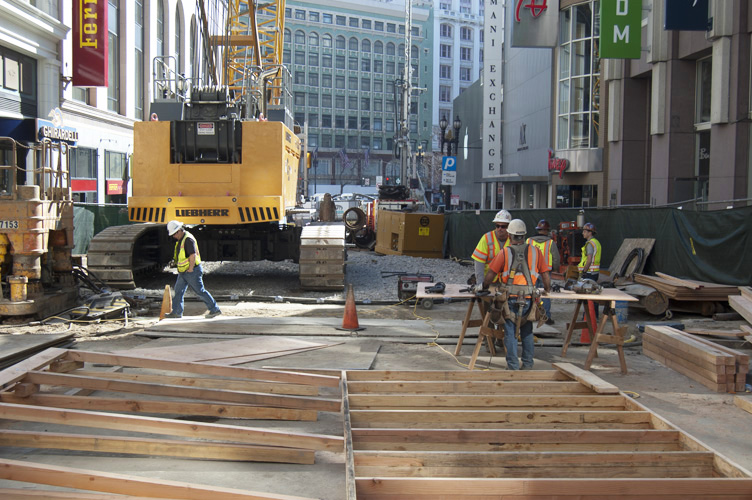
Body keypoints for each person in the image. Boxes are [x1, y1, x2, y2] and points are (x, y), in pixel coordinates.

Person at [480, 219, 551, 370]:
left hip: (509, 299)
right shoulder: (536, 252)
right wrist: (547, 290)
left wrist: (483, 286)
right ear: (524, 235)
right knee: (527, 332)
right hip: (529, 299)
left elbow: (490, 275)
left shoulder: (505, 252)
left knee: (510, 333)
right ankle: (528, 364)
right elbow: (545, 276)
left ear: (509, 236)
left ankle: (513, 367)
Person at [164, 220, 222, 319]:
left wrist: (190, 268)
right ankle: (177, 312)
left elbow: (192, 255)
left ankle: (214, 309)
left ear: (179, 231)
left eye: (174, 234)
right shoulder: (182, 239)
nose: (173, 236)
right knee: (178, 291)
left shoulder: (188, 239)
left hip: (192, 271)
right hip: (183, 271)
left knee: (200, 291)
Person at [526, 220, 560, 325]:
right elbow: (556, 259)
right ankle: (545, 317)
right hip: (545, 273)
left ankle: (530, 315)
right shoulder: (550, 243)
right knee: (545, 294)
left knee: (531, 294)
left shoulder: (529, 241)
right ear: (546, 231)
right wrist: (555, 268)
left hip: (531, 272)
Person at [471, 209, 512, 284]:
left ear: (509, 227)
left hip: (507, 282)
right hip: (489, 281)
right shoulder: (486, 238)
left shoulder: (513, 239)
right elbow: (479, 263)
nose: (500, 228)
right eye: (497, 226)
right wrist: (480, 284)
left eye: (503, 226)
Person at [578, 221, 601, 319]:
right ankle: (594, 316)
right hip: (594, 273)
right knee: (593, 294)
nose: (583, 233)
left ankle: (588, 317)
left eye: (584, 231)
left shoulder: (590, 244)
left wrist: (583, 272)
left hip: (589, 273)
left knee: (588, 296)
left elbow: (589, 260)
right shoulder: (596, 243)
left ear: (590, 232)